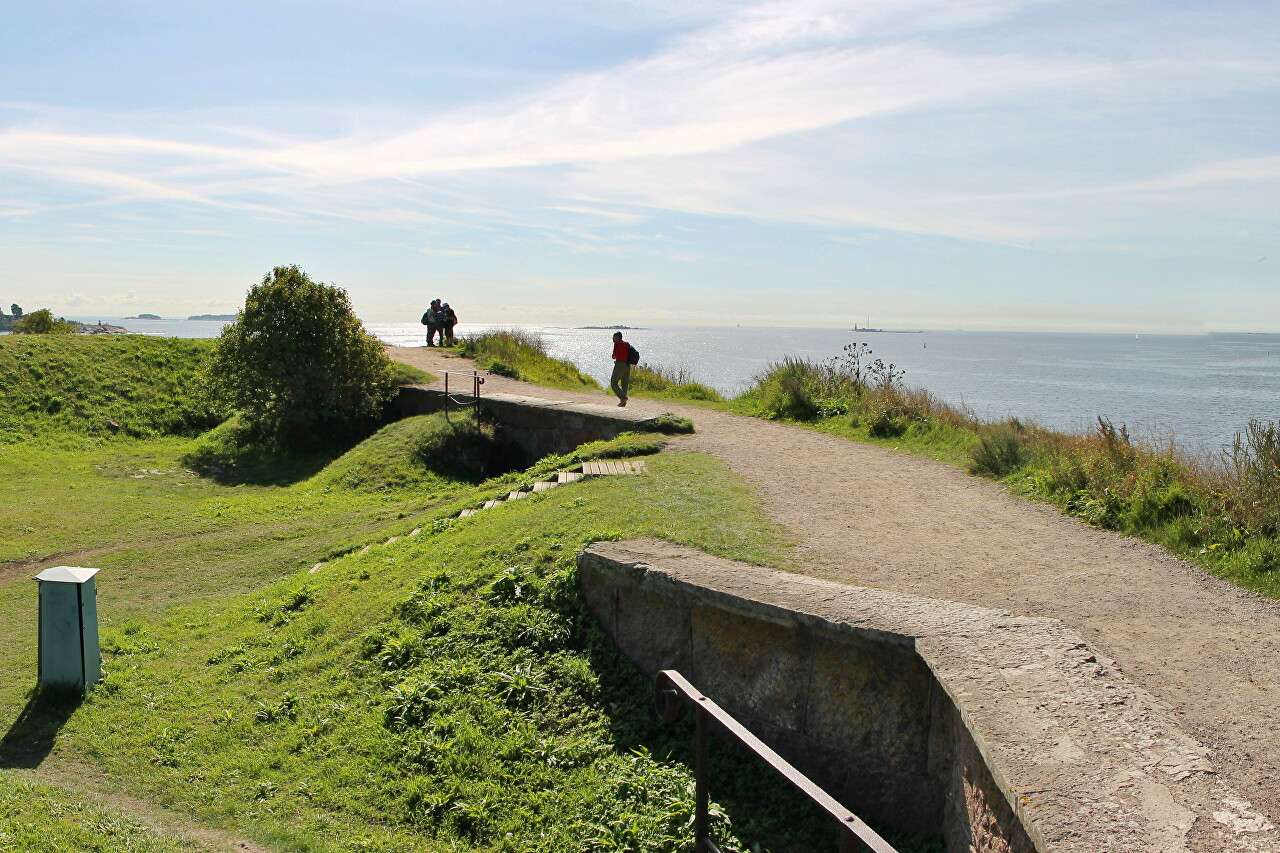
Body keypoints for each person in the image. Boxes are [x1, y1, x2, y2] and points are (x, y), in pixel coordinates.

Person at [610, 331, 631, 407]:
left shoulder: (617, 344)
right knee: (624, 383)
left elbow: (614, 356)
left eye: (614, 337)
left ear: (618, 337)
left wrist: (615, 356)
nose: (613, 339)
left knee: (613, 383)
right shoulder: (627, 344)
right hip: (627, 365)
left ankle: (623, 398)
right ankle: (623, 402)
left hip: (620, 364)